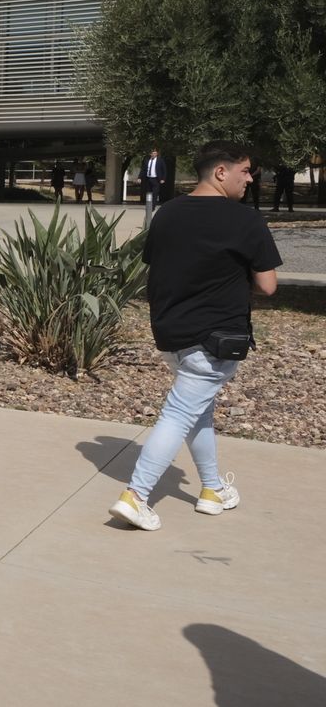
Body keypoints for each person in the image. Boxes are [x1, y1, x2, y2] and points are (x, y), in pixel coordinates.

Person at [109, 141, 280, 532]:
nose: (250, 179)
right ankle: (135, 496)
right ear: (221, 172)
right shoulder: (246, 220)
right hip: (216, 338)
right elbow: (268, 285)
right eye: (245, 171)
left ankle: (212, 488)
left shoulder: (167, 213)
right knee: (178, 413)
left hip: (171, 333)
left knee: (197, 411)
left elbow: (157, 264)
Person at [140, 148, 167, 220]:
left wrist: (163, 179)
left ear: (157, 154)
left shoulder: (160, 161)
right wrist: (139, 177)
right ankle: (148, 205)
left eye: (155, 153)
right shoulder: (147, 160)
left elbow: (164, 170)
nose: (153, 154)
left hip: (156, 179)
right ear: (150, 154)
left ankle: (153, 207)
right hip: (148, 179)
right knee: (148, 193)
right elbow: (143, 169)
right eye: (152, 153)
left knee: (155, 193)